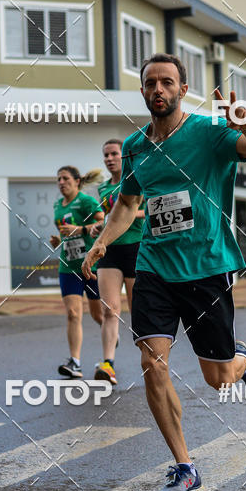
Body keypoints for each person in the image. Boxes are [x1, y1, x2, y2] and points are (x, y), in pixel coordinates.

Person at [83, 53, 246, 491]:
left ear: (182, 89)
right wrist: (102, 242)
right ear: (143, 90)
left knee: (218, 379)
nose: (158, 89)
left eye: (167, 82)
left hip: (207, 267)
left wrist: (244, 123)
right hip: (154, 269)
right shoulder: (135, 145)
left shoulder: (210, 132)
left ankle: (242, 363)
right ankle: (185, 466)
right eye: (150, 82)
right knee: (153, 364)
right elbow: (128, 204)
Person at [90, 139, 145, 386]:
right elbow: (104, 219)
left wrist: (125, 214)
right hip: (110, 251)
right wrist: (97, 229)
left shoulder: (138, 180)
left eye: (114, 154)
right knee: (109, 309)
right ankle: (108, 364)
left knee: (139, 312)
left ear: (124, 156)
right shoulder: (102, 189)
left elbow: (152, 208)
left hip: (135, 248)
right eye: (106, 155)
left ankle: (150, 360)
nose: (110, 158)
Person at [50, 166, 104, 378]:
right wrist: (58, 240)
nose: (61, 182)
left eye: (65, 178)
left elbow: (103, 222)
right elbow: (63, 232)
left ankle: (109, 330)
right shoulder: (57, 205)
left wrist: (80, 230)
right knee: (73, 314)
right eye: (58, 179)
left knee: (98, 314)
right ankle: (75, 362)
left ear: (77, 181)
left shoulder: (86, 202)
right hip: (68, 266)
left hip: (91, 265)